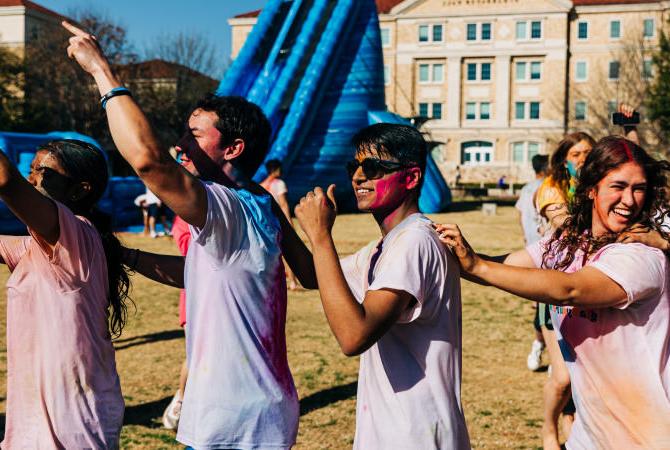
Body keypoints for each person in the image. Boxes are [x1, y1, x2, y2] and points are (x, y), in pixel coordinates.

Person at [64, 21, 317, 449]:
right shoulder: (258, 203)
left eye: (194, 136)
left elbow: (147, 161)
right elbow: (205, 274)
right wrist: (126, 256)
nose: (181, 147)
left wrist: (101, 72)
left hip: (232, 418)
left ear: (233, 149)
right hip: (261, 409)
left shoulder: (224, 205)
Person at [435, 136, 670, 449]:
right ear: (591, 189)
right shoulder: (570, 244)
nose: (629, 199)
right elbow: (507, 266)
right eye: (618, 186)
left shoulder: (640, 255)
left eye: (638, 188)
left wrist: (477, 266)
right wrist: (440, 243)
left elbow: (569, 289)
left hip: (647, 437)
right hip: (589, 437)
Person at [294, 123, 471, 449]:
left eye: (373, 168)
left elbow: (353, 336)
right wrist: (266, 207)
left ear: (411, 178)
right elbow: (312, 275)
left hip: (413, 433)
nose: (359, 176)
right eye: (355, 167)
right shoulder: (387, 245)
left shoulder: (414, 242)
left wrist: (320, 238)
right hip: (397, 429)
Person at [0, 139, 129, 448]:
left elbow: (6, 180)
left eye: (42, 171)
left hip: (73, 423)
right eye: (30, 170)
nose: (32, 179)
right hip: (38, 422)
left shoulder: (77, 235)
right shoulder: (38, 246)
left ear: (80, 189)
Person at [532, 131, 595, 447]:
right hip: (556, 294)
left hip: (592, 292)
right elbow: (562, 221)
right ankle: (548, 429)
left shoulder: (599, 188)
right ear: (564, 160)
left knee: (586, 376)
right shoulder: (552, 189)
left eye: (588, 153)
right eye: (576, 154)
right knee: (563, 377)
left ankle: (573, 424)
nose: (583, 159)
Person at [515, 154, 549, 371]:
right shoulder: (550, 186)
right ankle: (540, 345)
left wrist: (525, 236)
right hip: (545, 250)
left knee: (542, 304)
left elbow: (519, 214)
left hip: (532, 247)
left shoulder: (526, 187)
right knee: (545, 305)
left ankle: (540, 346)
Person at [161, 215, 190, 430]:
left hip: (229, 296)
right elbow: (190, 250)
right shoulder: (184, 218)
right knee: (197, 355)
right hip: (196, 299)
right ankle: (180, 400)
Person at [260, 159, 299, 289]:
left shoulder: (262, 184)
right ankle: (293, 282)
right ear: (276, 169)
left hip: (265, 224)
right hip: (278, 223)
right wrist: (289, 222)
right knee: (288, 253)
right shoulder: (280, 183)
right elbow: (283, 204)